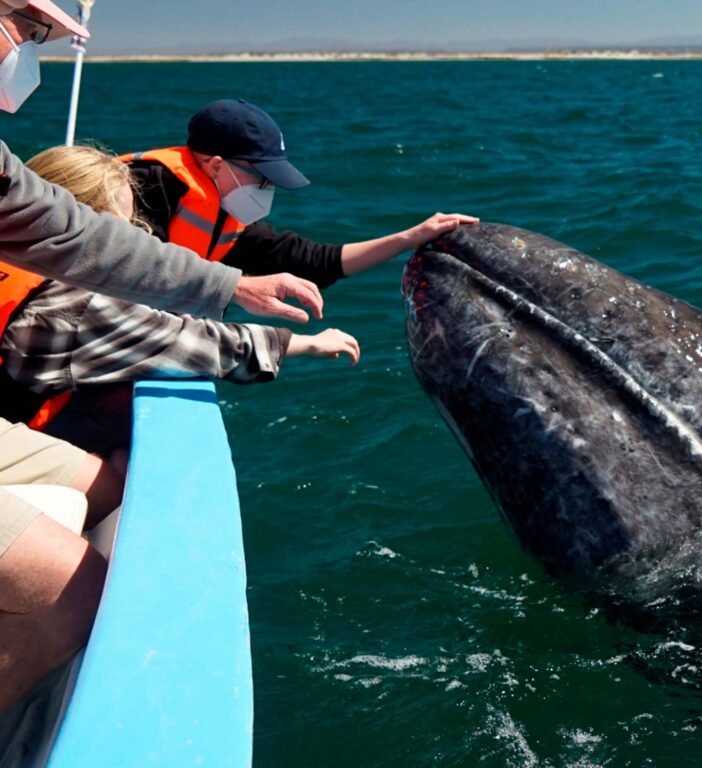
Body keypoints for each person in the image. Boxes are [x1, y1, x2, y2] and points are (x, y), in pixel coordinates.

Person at [0, 0, 319, 714]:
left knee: (111, 483)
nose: (28, 55)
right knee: (73, 592)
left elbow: (81, 241)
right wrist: (287, 335)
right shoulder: (68, 306)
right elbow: (182, 339)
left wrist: (232, 284)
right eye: (29, 30)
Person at [2, 145, 362, 462]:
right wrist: (306, 343)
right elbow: (185, 342)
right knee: (112, 486)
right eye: (116, 229)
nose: (131, 238)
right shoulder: (73, 306)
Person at [125, 98, 478, 286]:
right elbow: (130, 268)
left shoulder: (227, 221)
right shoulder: (146, 185)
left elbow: (318, 261)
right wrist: (240, 290)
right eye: (261, 177)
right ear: (217, 166)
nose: (268, 188)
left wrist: (410, 237)